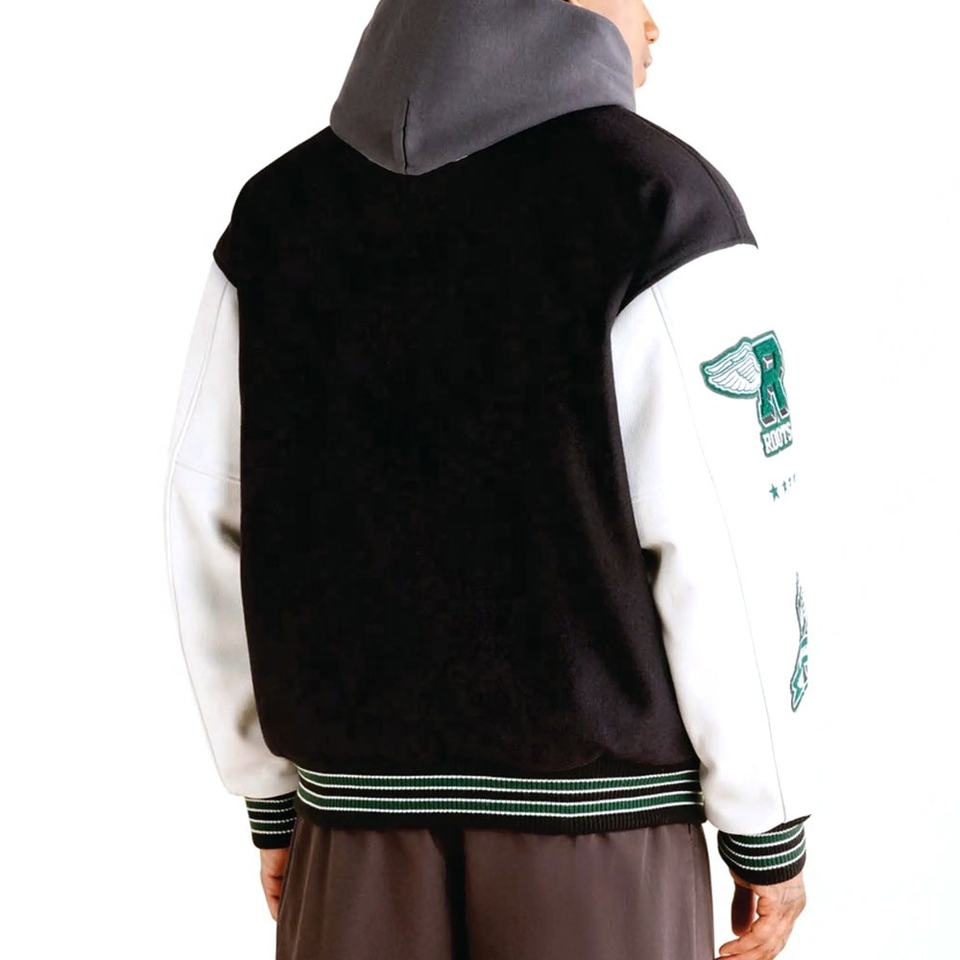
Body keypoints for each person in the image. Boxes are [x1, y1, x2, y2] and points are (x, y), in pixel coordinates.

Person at [163, 1, 814, 957]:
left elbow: (212, 514)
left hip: (349, 832)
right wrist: (768, 820)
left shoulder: (276, 217)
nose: (655, 25)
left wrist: (267, 791)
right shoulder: (660, 203)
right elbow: (730, 542)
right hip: (600, 844)